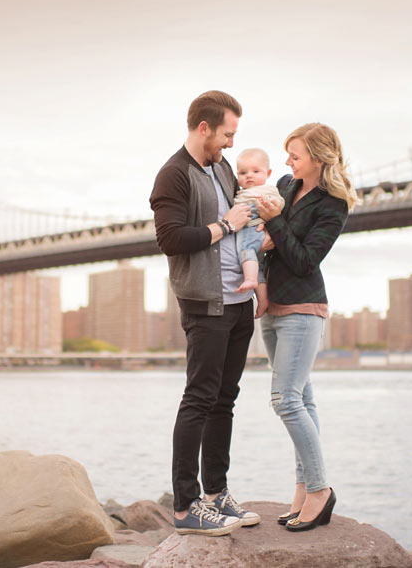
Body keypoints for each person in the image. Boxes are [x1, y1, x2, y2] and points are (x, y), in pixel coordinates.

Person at [150, 88, 279, 534]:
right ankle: (186, 508)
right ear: (204, 128)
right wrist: (226, 225)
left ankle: (215, 494)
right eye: (227, 134)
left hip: (239, 301)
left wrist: (257, 280)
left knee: (225, 400)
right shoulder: (173, 175)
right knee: (199, 399)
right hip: (206, 304)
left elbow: (250, 226)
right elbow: (170, 239)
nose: (230, 143)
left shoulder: (222, 167)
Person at [259, 124, 354, 532]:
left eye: (295, 155)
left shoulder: (334, 204)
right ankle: (302, 488)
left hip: (302, 307)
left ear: (318, 158)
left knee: (285, 400)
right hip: (271, 306)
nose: (287, 162)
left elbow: (304, 260)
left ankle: (320, 489)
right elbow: (267, 234)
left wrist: (276, 223)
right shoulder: (284, 183)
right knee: (303, 398)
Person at [231, 148, 274, 309]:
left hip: (252, 230)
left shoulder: (266, 191)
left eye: (256, 171)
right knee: (259, 266)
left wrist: (268, 217)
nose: (249, 175)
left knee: (245, 250)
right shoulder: (242, 192)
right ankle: (263, 301)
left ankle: (250, 279)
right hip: (256, 232)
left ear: (268, 173)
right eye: (243, 173)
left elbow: (279, 205)